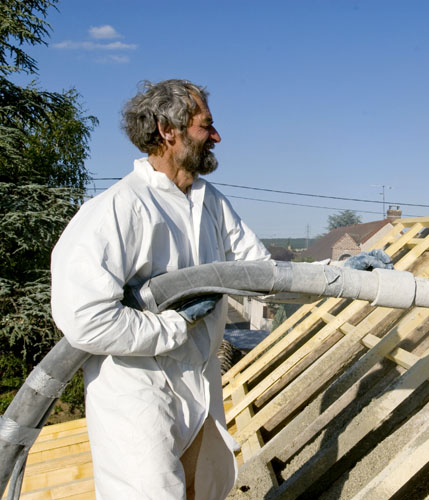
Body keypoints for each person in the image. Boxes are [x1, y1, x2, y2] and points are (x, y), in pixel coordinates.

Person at [50, 79, 271, 499]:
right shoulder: (118, 209)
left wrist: (335, 272)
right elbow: (83, 319)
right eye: (207, 126)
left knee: (200, 490)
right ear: (168, 131)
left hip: (198, 387)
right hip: (140, 392)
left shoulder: (210, 202)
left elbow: (261, 274)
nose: (217, 137)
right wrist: (172, 326)